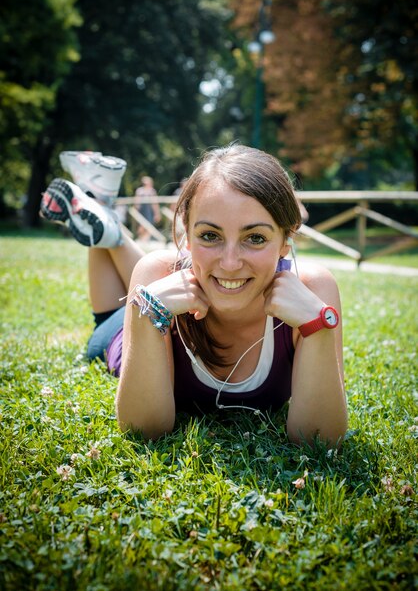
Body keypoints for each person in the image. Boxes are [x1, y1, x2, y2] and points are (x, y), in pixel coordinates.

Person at [40, 144, 347, 446]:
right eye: (210, 236)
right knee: (107, 318)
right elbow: (143, 430)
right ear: (186, 234)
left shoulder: (313, 292)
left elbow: (319, 440)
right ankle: (104, 211)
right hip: (124, 329)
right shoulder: (154, 280)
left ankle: (103, 209)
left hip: (173, 289)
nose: (230, 263)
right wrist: (144, 312)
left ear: (285, 239)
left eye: (255, 238)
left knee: (142, 266)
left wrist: (317, 328)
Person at [134, 175, 161, 241]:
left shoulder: (152, 191)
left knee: (149, 225)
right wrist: (136, 211)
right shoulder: (139, 191)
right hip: (142, 210)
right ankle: (140, 238)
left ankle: (145, 240)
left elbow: (155, 204)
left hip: (149, 211)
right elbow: (136, 202)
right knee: (141, 225)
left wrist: (157, 213)